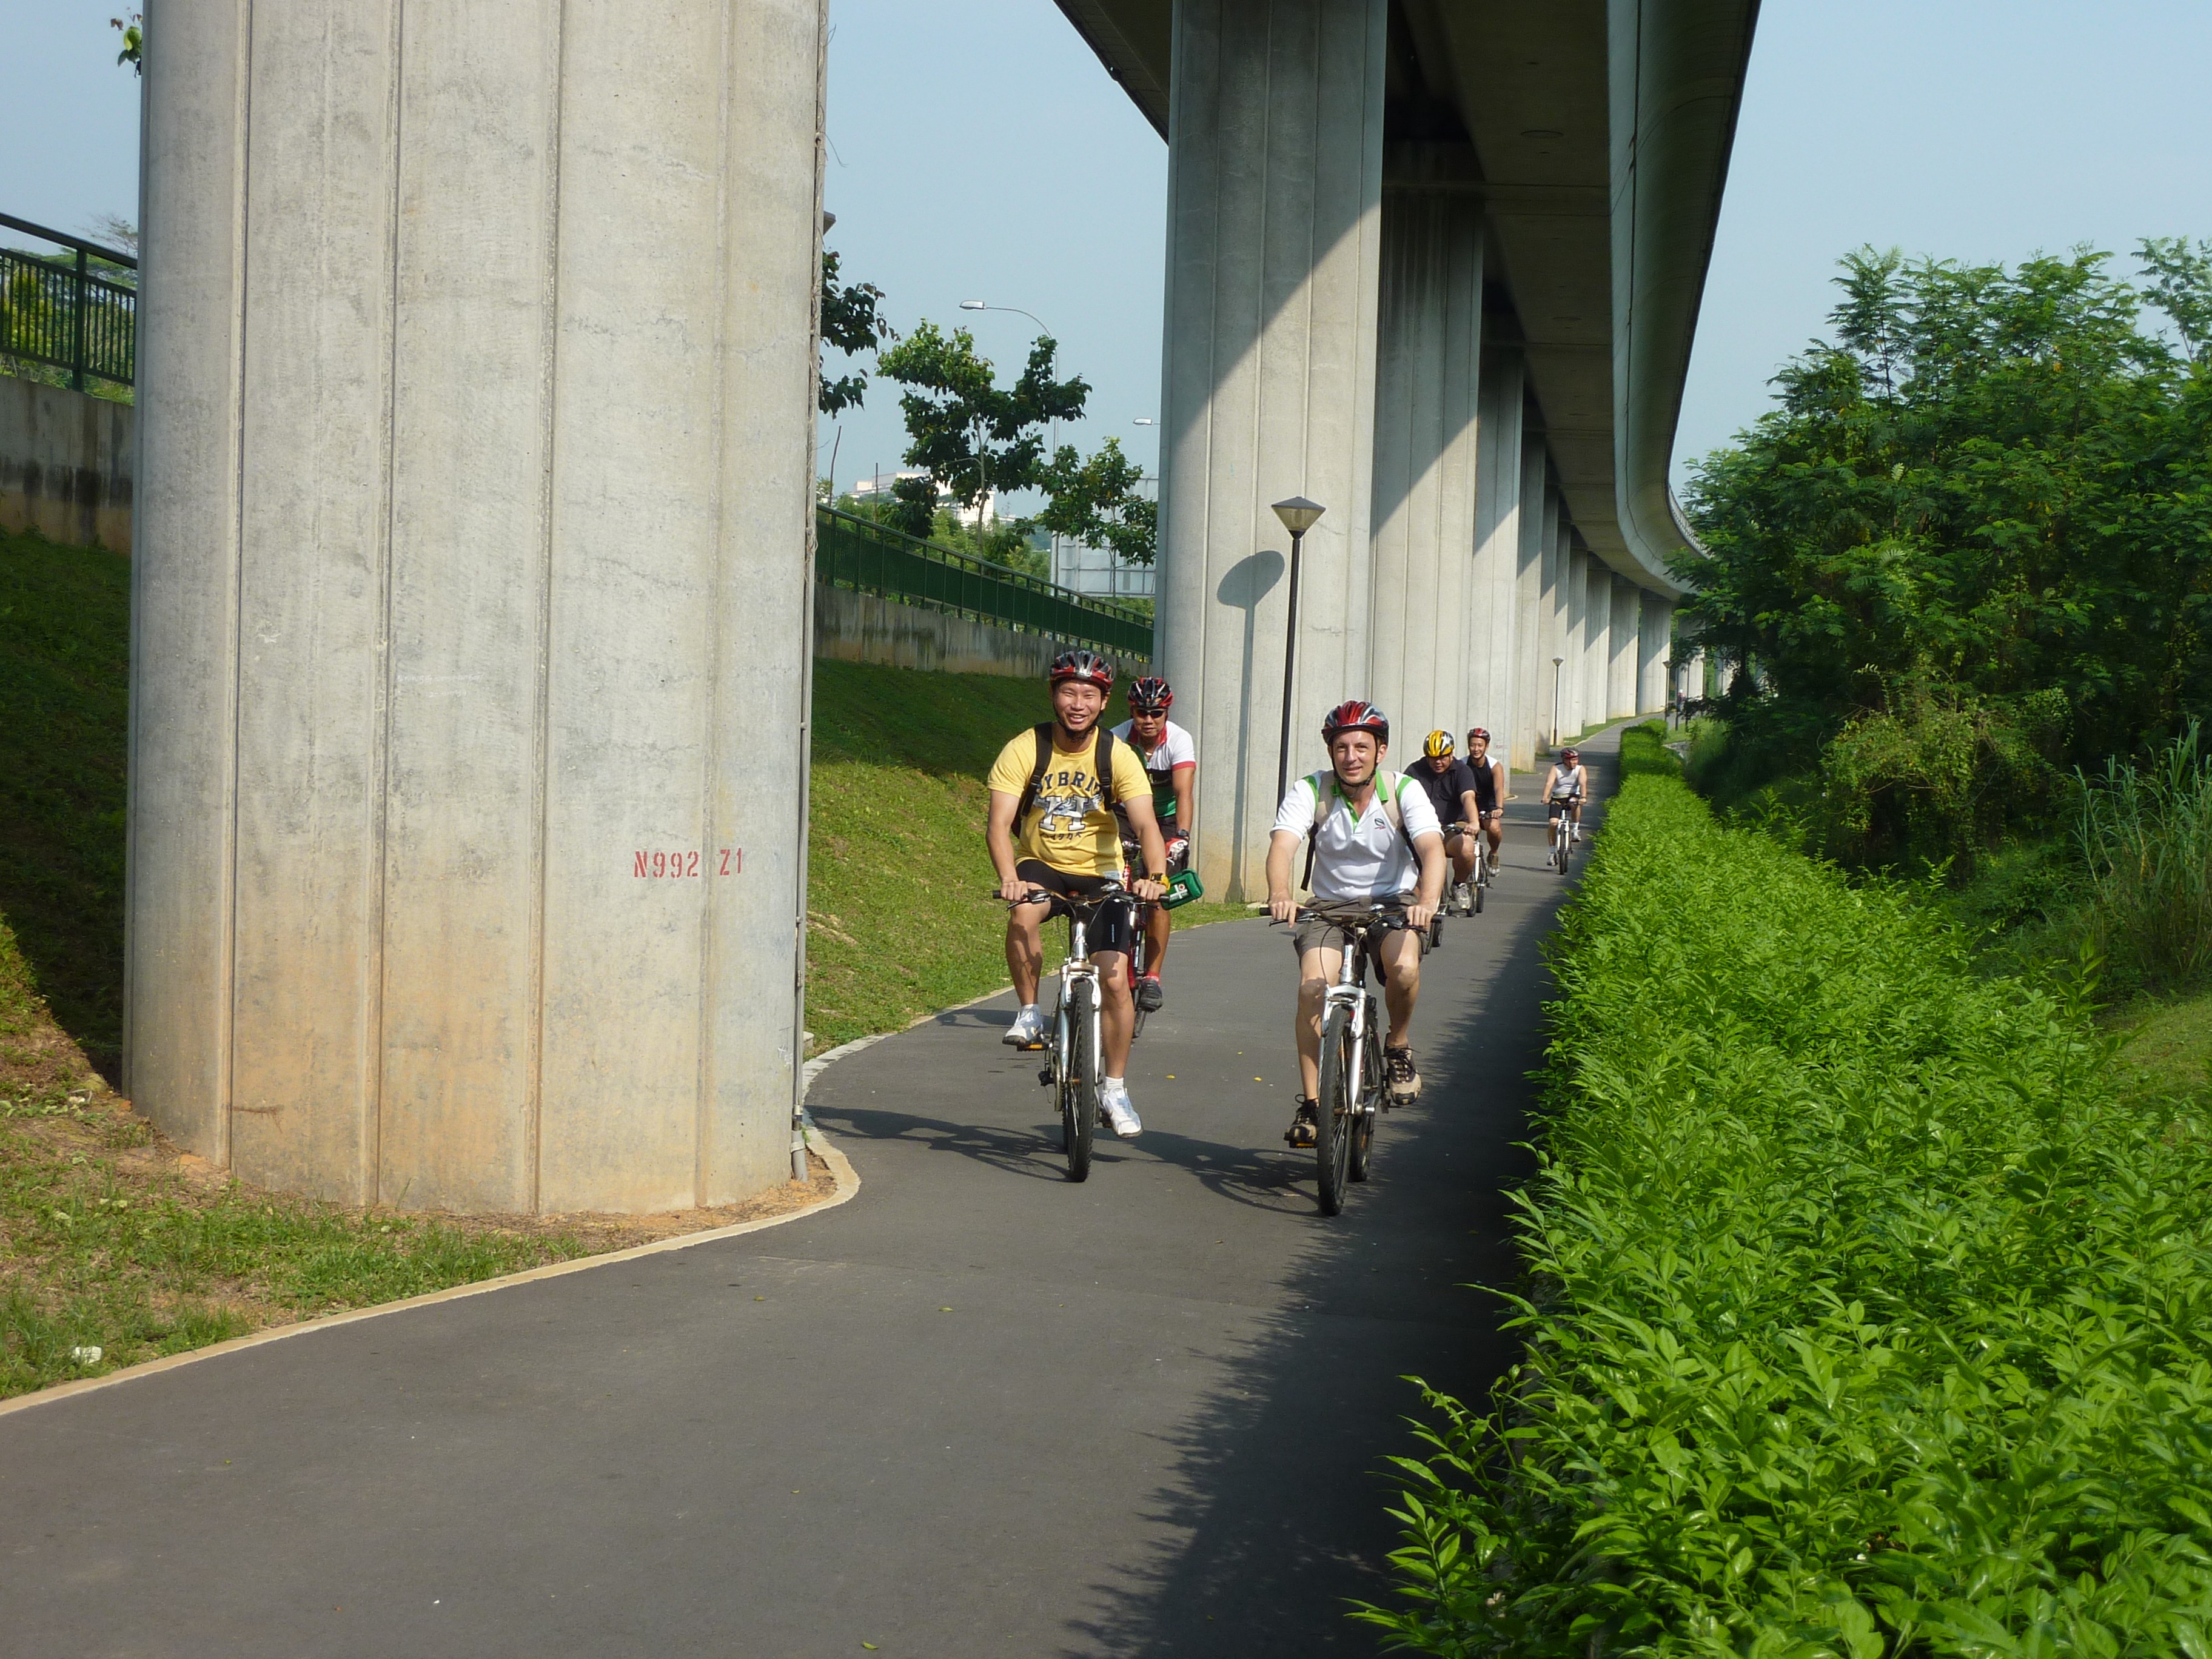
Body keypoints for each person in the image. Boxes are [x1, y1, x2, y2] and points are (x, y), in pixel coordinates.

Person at [986, 650, 1169, 1139]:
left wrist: (1156, 874)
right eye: (1069, 691)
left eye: (1089, 694)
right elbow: (999, 825)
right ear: (1053, 695)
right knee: (1023, 916)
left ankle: (1114, 1087)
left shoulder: (1118, 754)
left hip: (1102, 872)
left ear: (1104, 701)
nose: (1078, 702)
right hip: (1040, 864)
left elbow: (1148, 823)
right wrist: (1010, 876)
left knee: (1113, 980)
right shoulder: (1026, 747)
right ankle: (1028, 1012)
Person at [1265, 700, 1446, 1148]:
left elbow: (1432, 849)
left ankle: (1398, 1045)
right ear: (1331, 751)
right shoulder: (1311, 789)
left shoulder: (1404, 789)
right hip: (1328, 907)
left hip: (1394, 904)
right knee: (1313, 988)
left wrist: (1426, 900)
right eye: (1342, 747)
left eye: (1362, 746)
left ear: (1380, 750)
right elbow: (1283, 846)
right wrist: (1281, 893)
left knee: (1404, 968)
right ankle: (1311, 1105)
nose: (1352, 756)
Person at [1111, 677, 1197, 1013]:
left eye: (1156, 713)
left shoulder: (1179, 739)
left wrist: (1182, 836)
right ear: (1131, 711)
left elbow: (1183, 793)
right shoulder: (1117, 738)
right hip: (1124, 814)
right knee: (1111, 887)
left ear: (1166, 713)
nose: (1148, 720)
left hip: (1164, 820)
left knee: (1158, 895)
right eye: (1141, 712)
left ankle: (1152, 977)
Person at [1412, 731, 1482, 911]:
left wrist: (1474, 822)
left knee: (1467, 847)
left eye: (1443, 757)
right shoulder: (1415, 770)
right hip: (1423, 828)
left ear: (1451, 754)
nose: (1438, 762)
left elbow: (1468, 797)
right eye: (1432, 758)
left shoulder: (1462, 771)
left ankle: (1459, 884)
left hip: (1453, 827)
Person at [1465, 726, 1507, 877]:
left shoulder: (1494, 766)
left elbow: (1499, 789)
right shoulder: (1462, 764)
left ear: (1486, 747)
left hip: (1489, 805)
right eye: (1473, 745)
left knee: (1494, 828)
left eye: (1480, 745)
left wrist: (1499, 808)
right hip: (1468, 804)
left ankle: (1494, 854)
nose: (1476, 749)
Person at [1541, 745, 1588, 856]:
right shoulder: (1556, 768)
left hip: (1572, 796)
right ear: (1564, 760)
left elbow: (1583, 784)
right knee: (1553, 823)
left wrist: (1584, 797)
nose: (1574, 762)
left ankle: (1575, 830)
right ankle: (1552, 851)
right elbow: (1549, 783)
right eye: (1571, 760)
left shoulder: (1580, 769)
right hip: (1558, 797)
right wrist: (1545, 797)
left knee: (1574, 802)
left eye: (1576, 759)